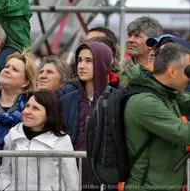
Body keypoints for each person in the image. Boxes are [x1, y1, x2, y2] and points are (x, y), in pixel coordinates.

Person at [124, 44, 190, 191]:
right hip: (146, 186)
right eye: (187, 71)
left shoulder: (165, 93)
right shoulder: (145, 102)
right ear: (172, 71)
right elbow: (184, 133)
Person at [0, 91, 79, 191]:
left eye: (35, 108)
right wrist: (5, 188)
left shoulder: (61, 140)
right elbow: (5, 170)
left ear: (49, 114)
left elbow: (71, 180)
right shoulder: (13, 134)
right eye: (27, 106)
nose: (27, 111)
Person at [60, 41, 113, 191]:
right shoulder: (66, 100)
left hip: (105, 178)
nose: (81, 65)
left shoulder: (116, 100)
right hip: (71, 176)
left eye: (89, 61)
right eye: (80, 60)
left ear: (102, 64)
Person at [0, 51, 37, 190]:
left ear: (26, 81)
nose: (7, 70)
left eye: (14, 69)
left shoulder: (32, 109)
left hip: (22, 181)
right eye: (7, 67)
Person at [120, 16, 163, 84]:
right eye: (129, 35)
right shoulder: (120, 71)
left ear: (152, 42)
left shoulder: (164, 72)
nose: (130, 40)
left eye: (137, 36)